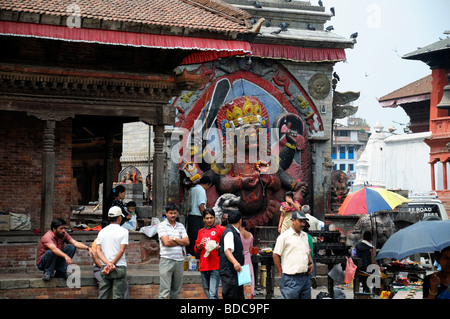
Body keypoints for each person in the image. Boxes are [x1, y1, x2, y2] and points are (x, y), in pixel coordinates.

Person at [273, 211, 314, 299]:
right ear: (293, 220)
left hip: (305, 277)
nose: (302, 224)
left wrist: (311, 262)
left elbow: (307, 251)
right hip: (290, 278)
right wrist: (280, 273)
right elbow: (275, 254)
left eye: (304, 222)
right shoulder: (284, 236)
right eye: (300, 221)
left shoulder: (305, 236)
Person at [96, 206, 129, 299]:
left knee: (103, 295)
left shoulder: (102, 232)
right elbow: (121, 250)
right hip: (119, 266)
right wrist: (112, 264)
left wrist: (107, 264)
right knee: (118, 296)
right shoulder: (124, 231)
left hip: (104, 267)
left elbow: (98, 250)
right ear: (119, 218)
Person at [157, 203, 189, 299]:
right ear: (166, 213)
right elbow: (166, 242)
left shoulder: (180, 226)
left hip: (179, 261)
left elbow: (187, 241)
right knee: (164, 291)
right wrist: (180, 241)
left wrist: (174, 239)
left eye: (175, 213)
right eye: (171, 213)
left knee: (176, 291)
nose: (173, 215)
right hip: (166, 260)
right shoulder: (162, 225)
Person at [194, 208, 225, 299]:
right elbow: (196, 250)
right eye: (207, 218)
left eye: (211, 218)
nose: (209, 220)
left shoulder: (220, 230)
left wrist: (218, 247)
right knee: (206, 290)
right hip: (204, 265)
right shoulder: (201, 231)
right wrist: (200, 245)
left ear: (215, 218)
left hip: (215, 265)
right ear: (203, 219)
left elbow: (227, 246)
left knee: (212, 293)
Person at [219, 209, 245, 299]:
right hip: (230, 272)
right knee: (231, 296)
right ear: (240, 221)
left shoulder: (234, 232)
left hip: (236, 272)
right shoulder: (229, 232)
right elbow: (227, 250)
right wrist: (235, 263)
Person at [187, 175, 213, 257]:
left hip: (191, 216)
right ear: (208, 184)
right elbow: (201, 206)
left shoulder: (193, 189)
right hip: (197, 217)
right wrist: (206, 218)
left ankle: (191, 255)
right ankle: (197, 256)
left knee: (192, 236)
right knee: (198, 238)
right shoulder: (201, 190)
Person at [240, 219, 254, 298]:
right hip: (248, 258)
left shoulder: (238, 234)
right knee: (249, 280)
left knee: (242, 282)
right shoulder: (250, 235)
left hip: (241, 258)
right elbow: (251, 249)